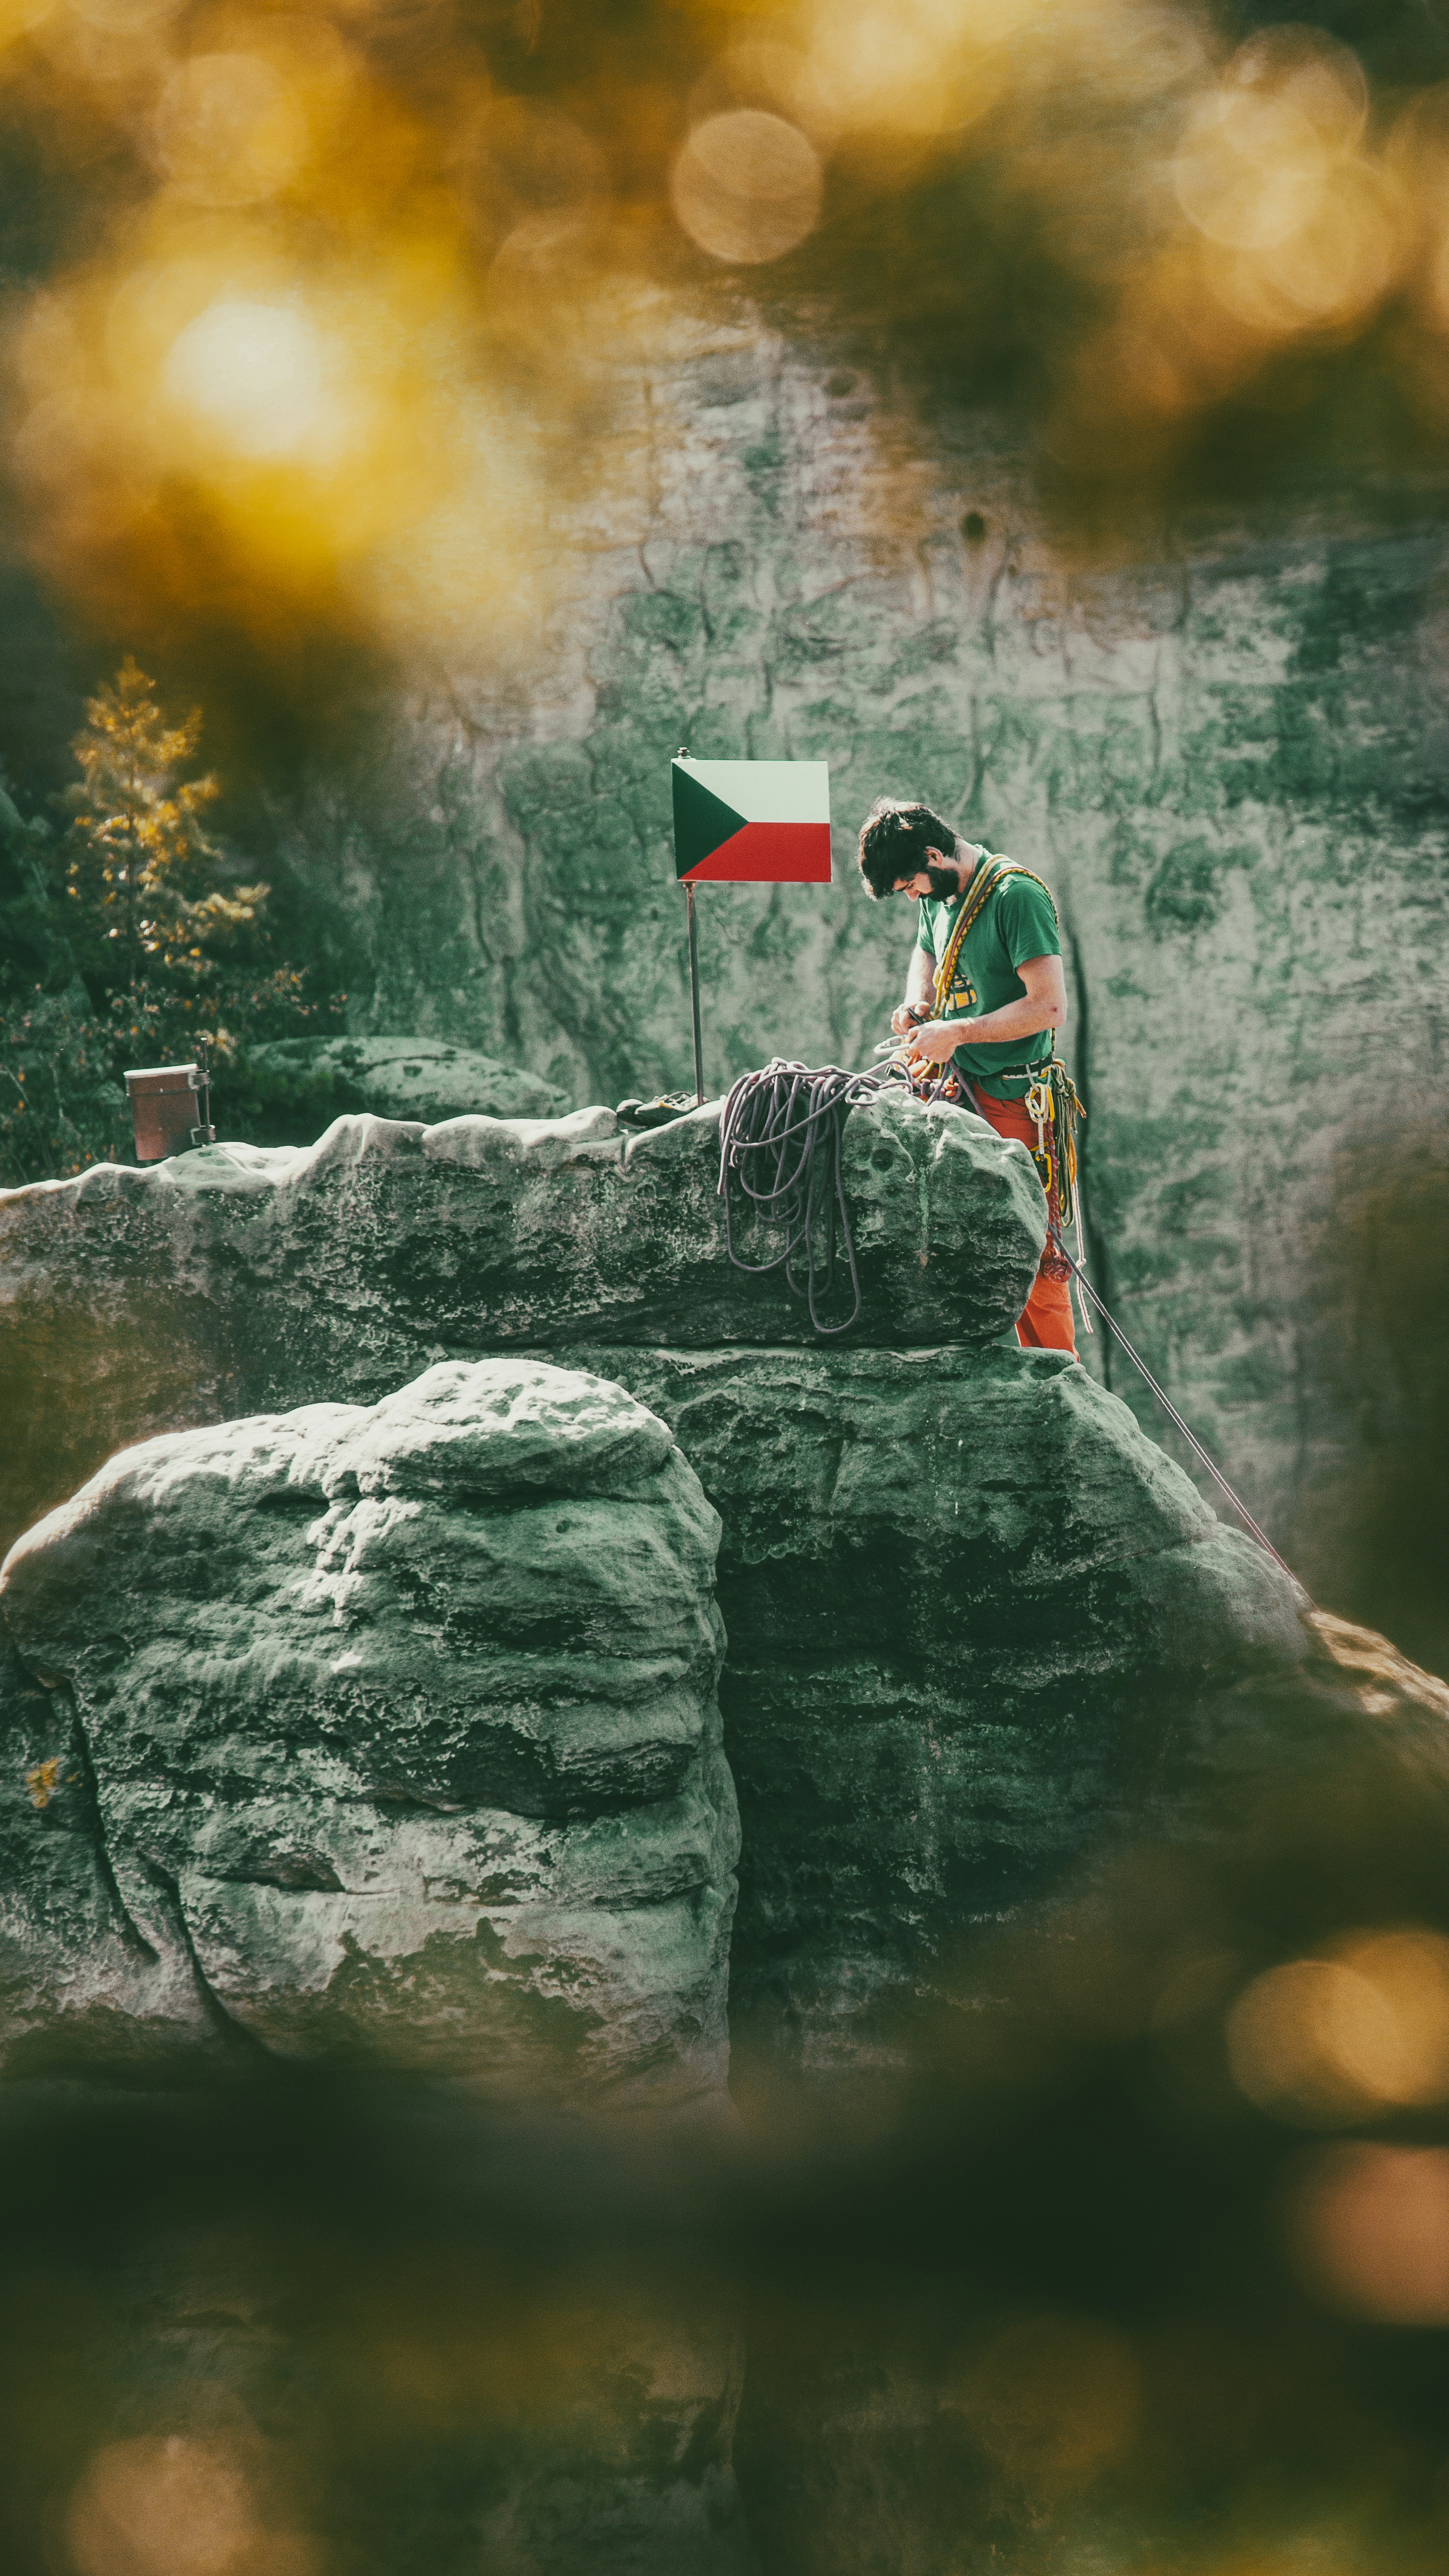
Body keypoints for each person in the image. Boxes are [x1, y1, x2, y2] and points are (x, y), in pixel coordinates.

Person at [856, 796, 1077, 1354]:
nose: (912, 897)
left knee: (1032, 1248)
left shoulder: (1014, 897)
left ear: (935, 854)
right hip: (960, 1089)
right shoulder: (940, 893)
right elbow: (925, 949)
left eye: (911, 885)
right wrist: (916, 1003)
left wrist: (957, 1033)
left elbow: (1048, 1008)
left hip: (1013, 1095)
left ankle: (1059, 1378)